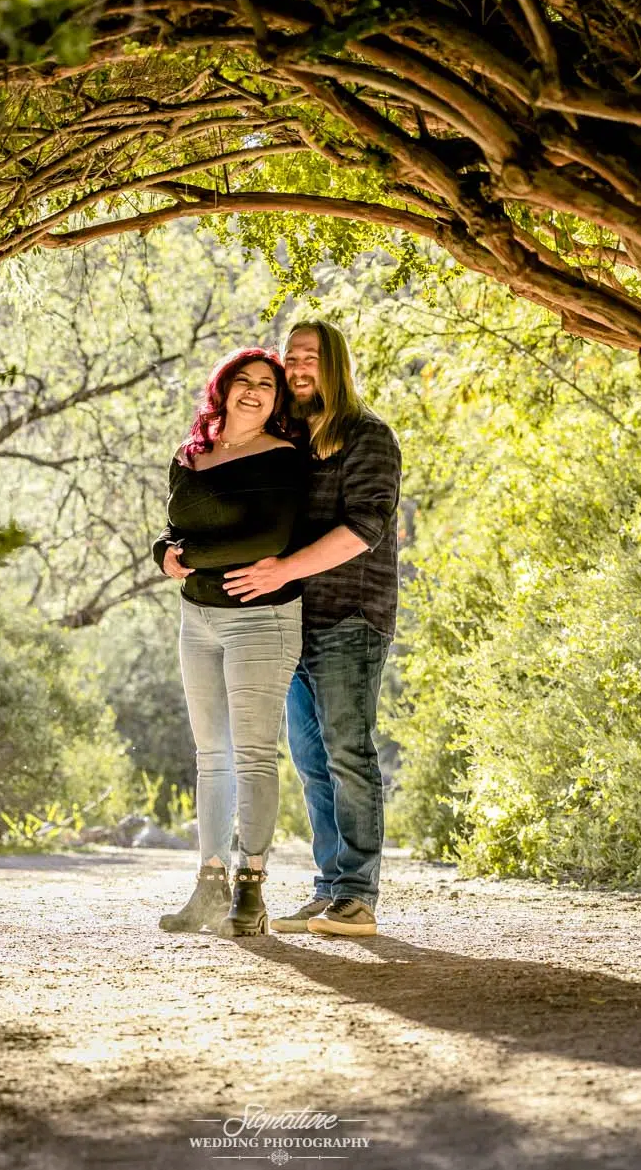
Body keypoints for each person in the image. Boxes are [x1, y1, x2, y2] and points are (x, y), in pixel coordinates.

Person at [221, 321, 400, 938]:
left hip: (352, 617)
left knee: (349, 753)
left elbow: (365, 529)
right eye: (291, 358)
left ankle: (358, 897)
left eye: (310, 359)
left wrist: (281, 571)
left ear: (335, 367)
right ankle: (330, 891)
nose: (298, 369)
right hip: (290, 622)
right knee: (312, 762)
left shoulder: (367, 436)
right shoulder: (290, 440)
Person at [152, 348, 308, 936]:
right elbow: (174, 528)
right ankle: (208, 885)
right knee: (211, 755)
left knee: (252, 754)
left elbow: (267, 539)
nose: (253, 392)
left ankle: (251, 890)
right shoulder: (189, 456)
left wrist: (187, 559)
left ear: (277, 399)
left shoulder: (284, 458)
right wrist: (163, 554)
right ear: (221, 390)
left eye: (265, 385)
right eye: (242, 382)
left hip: (261, 620)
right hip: (199, 621)